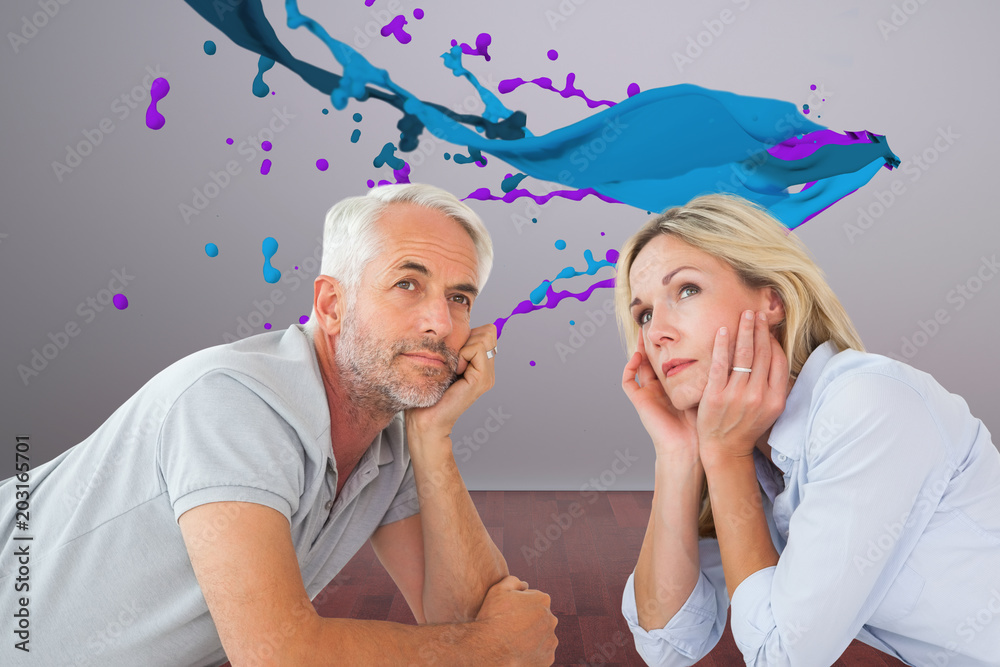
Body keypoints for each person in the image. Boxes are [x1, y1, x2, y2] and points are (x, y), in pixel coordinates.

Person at [0, 183, 558, 666]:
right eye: (407, 284)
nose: (440, 321)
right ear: (332, 305)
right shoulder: (233, 403)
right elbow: (280, 655)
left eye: (459, 297)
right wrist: (487, 651)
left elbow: (465, 617)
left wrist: (434, 438)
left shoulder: (391, 438)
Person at [613, 193, 1000, 666]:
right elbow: (668, 645)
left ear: (772, 299)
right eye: (644, 314)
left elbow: (782, 657)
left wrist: (725, 456)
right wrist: (678, 454)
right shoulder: (750, 450)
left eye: (687, 290)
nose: (656, 333)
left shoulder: (867, 404)